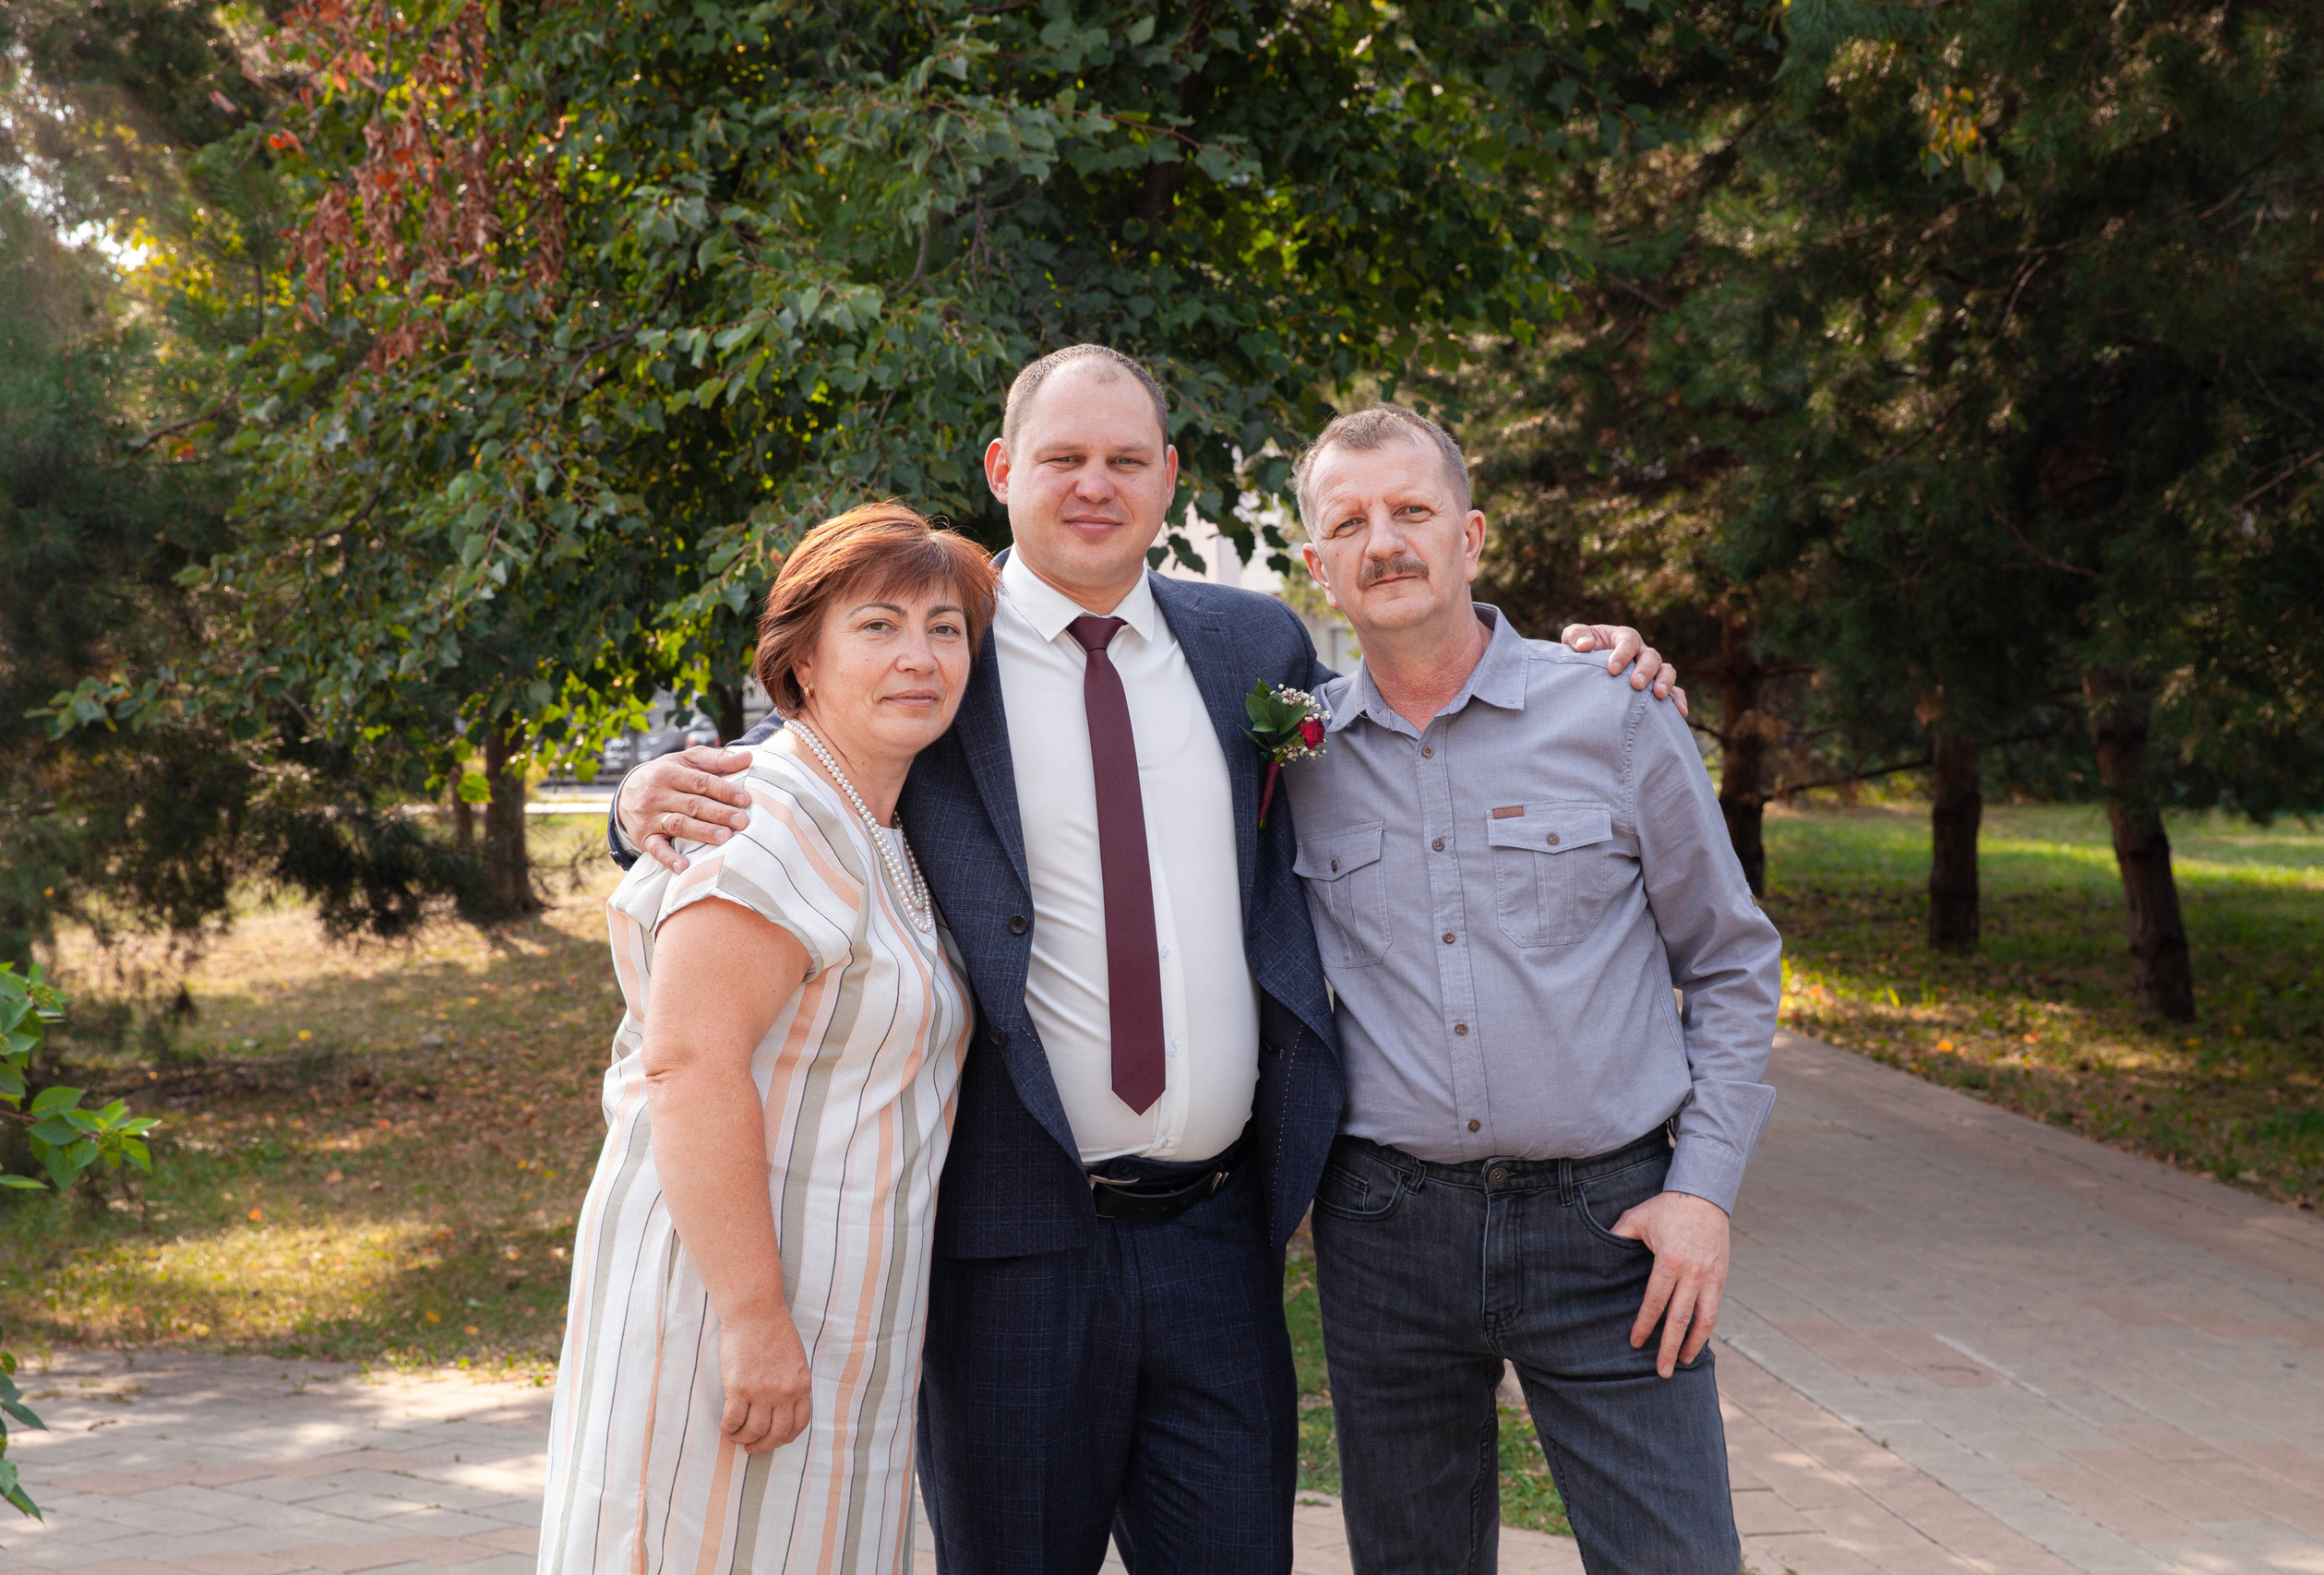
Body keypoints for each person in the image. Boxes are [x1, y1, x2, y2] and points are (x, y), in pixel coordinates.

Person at [605, 345, 1684, 1574]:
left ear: (1169, 478)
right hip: (1015, 1246)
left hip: (1220, 1243)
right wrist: (640, 798)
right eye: (1062, 458)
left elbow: (1412, 699)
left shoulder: (1253, 649)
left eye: (1126, 459)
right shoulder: (941, 652)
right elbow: (799, 758)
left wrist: (1591, 667)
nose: (1094, 484)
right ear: (1004, 468)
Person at [1282, 404, 1782, 1575]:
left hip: (1611, 1228)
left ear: (1473, 536)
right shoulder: (1294, 758)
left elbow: (1727, 959)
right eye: (1349, 522)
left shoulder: (1612, 708)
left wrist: (1703, 1192)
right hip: (1385, 1233)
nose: (1384, 542)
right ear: (1318, 567)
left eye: (1412, 511)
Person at [539, 503, 997, 1575]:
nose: (918, 657)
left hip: (844, 1325)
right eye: (877, 626)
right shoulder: (764, 815)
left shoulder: (882, 823)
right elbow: (687, 1067)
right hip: (727, 1311)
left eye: (944, 628)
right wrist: (750, 1318)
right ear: (800, 660)